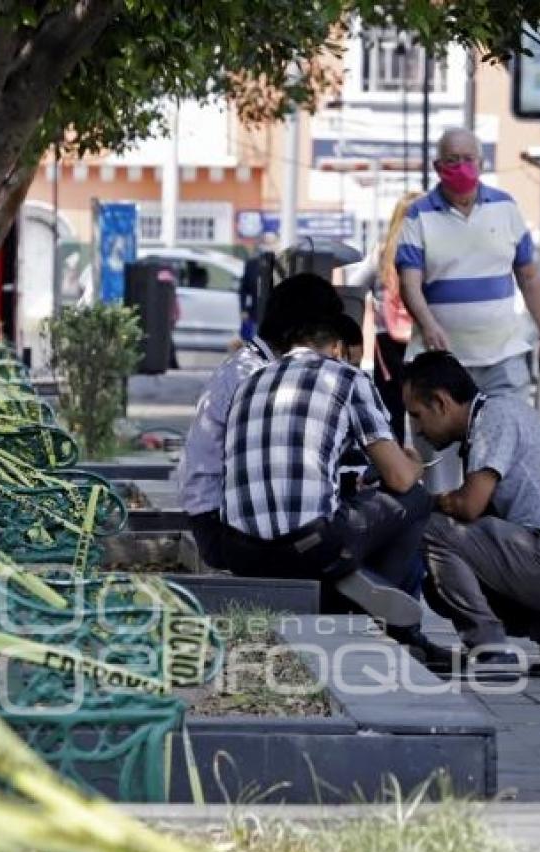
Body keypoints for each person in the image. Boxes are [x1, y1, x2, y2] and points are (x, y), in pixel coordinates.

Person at [219, 314, 436, 633]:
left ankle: (360, 602)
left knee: (347, 507)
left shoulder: (250, 381)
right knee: (415, 499)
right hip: (309, 548)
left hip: (238, 550)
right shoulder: (346, 378)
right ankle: (393, 629)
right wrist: (414, 465)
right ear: (337, 349)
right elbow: (400, 477)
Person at [401, 352, 540, 679]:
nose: (417, 430)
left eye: (417, 415)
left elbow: (469, 506)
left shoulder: (492, 419)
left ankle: (490, 650)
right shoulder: (499, 412)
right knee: (441, 585)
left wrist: (420, 495)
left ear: (441, 403)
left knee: (434, 529)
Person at [178, 273, 352, 570]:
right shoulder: (254, 375)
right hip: (220, 527)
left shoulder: (258, 365)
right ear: (306, 331)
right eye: (326, 335)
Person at [396, 129, 540, 398]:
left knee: (505, 436)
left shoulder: (505, 208)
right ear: (437, 167)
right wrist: (428, 325)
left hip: (502, 359)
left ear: (481, 165)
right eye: (452, 160)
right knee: (442, 440)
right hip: (440, 360)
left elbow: (529, 278)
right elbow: (408, 283)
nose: (461, 167)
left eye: (468, 159)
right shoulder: (418, 215)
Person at [348, 191, 421, 444]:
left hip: (387, 341)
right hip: (424, 337)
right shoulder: (430, 249)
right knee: (429, 409)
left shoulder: (382, 252)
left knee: (390, 409)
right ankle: (428, 471)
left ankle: (394, 474)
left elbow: (354, 286)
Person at [238, 231, 279, 339]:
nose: (269, 246)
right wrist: (243, 309)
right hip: (256, 313)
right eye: (266, 243)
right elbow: (244, 289)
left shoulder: (281, 265)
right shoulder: (252, 264)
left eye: (272, 243)